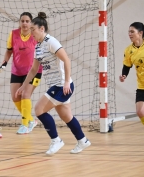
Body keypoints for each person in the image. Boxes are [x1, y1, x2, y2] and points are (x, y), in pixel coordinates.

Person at [16, 12, 91, 155]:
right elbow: (33, 69)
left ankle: (56, 140)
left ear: (42, 29)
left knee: (39, 109)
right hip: (54, 85)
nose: (31, 32)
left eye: (33, 29)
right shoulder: (38, 46)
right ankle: (83, 140)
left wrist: (67, 82)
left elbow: (67, 60)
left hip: (61, 85)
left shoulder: (51, 42)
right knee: (66, 116)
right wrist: (24, 85)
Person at [0, 12, 42, 134]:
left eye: (27, 21)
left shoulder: (35, 35)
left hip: (34, 71)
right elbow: (9, 51)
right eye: (22, 21)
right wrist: (4, 63)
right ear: (19, 22)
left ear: (31, 23)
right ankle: (31, 120)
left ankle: (24, 125)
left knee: (25, 95)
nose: (24, 23)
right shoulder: (13, 34)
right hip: (17, 70)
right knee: (15, 97)